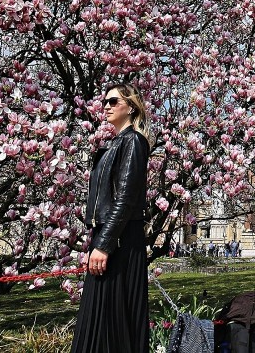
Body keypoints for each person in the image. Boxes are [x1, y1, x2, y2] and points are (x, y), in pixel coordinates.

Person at [72, 83, 152, 353]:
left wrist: (104, 245)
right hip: (108, 236)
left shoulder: (133, 142)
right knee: (99, 317)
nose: (105, 106)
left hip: (119, 242)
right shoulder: (116, 143)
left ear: (130, 107)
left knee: (115, 320)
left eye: (113, 101)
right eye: (104, 101)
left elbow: (126, 199)